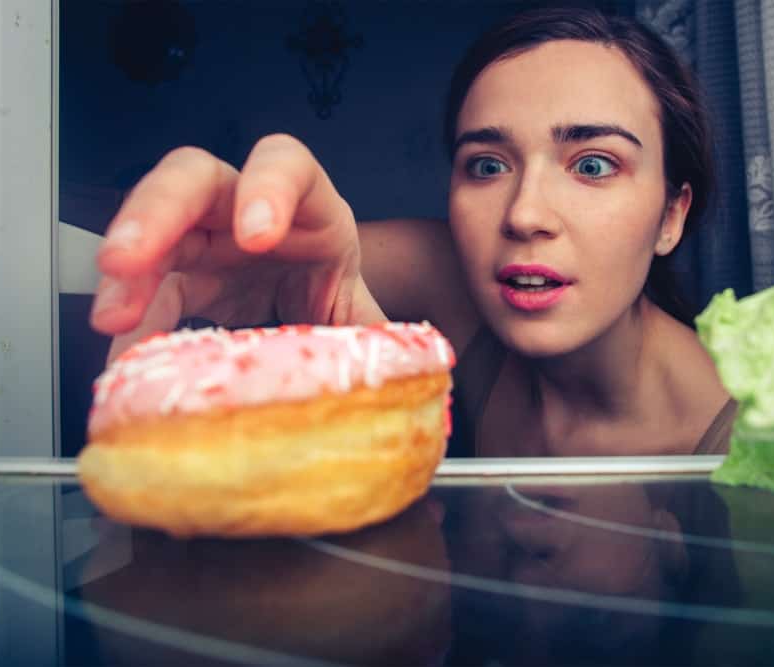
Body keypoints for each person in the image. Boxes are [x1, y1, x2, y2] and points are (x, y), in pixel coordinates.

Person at [89, 5, 735, 457]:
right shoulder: (455, 274)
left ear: (672, 215)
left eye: (593, 165)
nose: (524, 213)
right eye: (486, 165)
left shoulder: (764, 443)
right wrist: (235, 248)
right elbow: (254, 262)